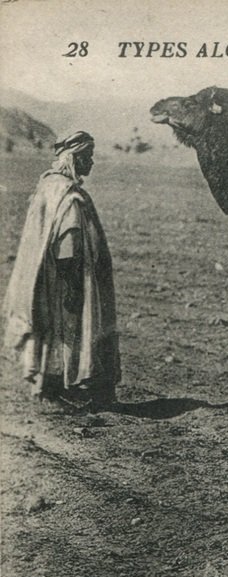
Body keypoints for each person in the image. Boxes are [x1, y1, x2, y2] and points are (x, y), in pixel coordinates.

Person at [2, 131, 120, 411]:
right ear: (75, 158)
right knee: (67, 331)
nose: (91, 163)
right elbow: (67, 247)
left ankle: (48, 388)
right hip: (64, 277)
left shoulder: (47, 186)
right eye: (87, 157)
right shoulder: (69, 196)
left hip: (45, 276)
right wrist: (73, 287)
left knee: (51, 330)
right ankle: (55, 392)